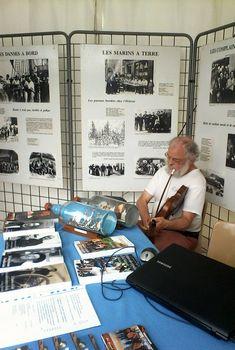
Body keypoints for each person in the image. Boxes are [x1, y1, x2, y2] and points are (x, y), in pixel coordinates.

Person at [136, 136, 206, 251]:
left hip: (183, 234)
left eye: (176, 160)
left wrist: (166, 224)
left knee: (149, 250)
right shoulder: (163, 171)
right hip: (157, 227)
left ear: (190, 159)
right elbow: (142, 200)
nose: (170, 162)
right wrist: (147, 221)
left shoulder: (197, 181)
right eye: (168, 156)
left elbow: (186, 222)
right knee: (126, 233)